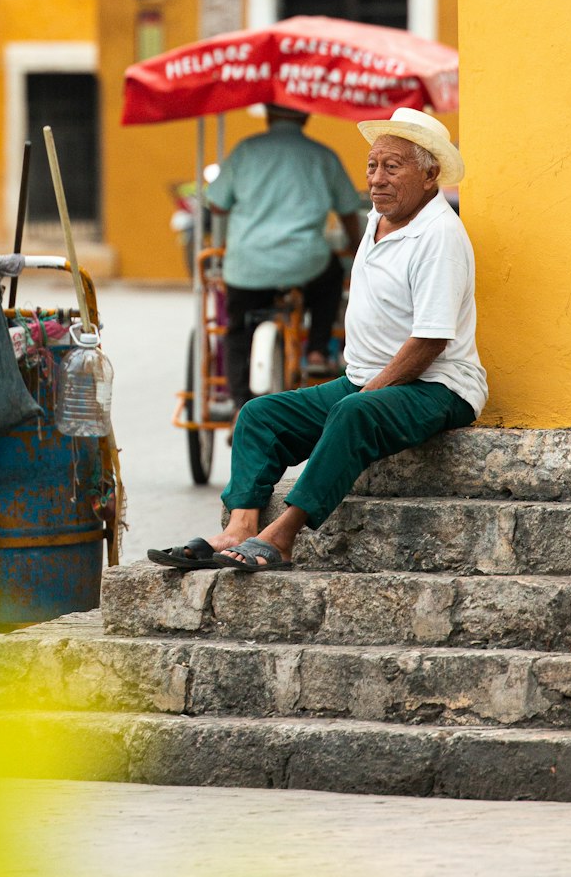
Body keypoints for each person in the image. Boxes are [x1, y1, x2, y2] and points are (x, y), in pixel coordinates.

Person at [149, 107, 485, 572]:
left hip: (438, 387)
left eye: (393, 166)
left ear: (430, 176)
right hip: (366, 380)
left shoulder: (439, 235)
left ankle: (281, 536)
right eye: (372, 166)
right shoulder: (379, 216)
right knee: (259, 415)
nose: (377, 178)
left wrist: (368, 393)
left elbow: (430, 341)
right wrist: (362, 388)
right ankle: (239, 527)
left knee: (352, 412)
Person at [206, 104, 361, 410]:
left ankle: (239, 404)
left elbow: (217, 204)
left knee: (237, 329)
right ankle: (317, 350)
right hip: (305, 262)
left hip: (248, 265)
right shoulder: (322, 155)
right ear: (306, 116)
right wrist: (357, 247)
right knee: (330, 277)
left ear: (268, 116)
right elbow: (347, 209)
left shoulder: (245, 151)